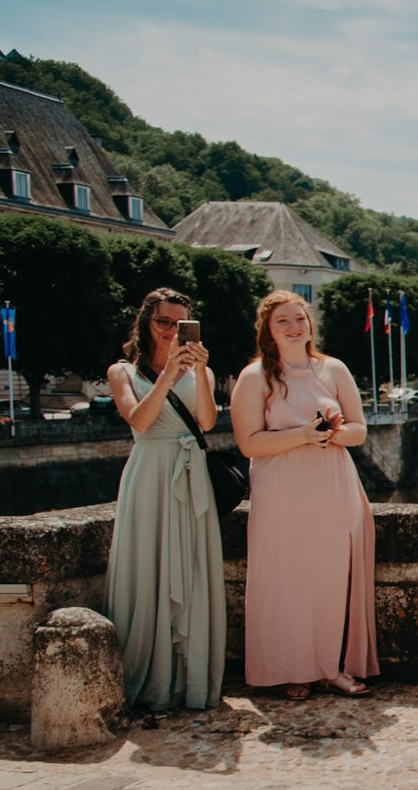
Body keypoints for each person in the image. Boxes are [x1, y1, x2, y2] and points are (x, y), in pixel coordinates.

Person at [231, 291, 378, 701]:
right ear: (268, 331)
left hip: (330, 484)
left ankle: (329, 668)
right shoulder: (255, 377)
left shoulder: (333, 369)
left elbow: (359, 430)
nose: (294, 327)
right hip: (280, 490)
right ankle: (292, 668)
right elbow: (248, 443)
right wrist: (303, 435)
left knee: (330, 577)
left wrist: (333, 432)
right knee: (285, 578)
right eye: (283, 321)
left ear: (310, 324)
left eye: (300, 319)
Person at [103, 287, 225, 712]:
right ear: (146, 322)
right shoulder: (122, 371)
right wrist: (169, 374)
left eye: (180, 324)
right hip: (149, 472)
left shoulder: (202, 372)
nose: (172, 331)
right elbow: (139, 420)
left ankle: (189, 680)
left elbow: (206, 422)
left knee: (191, 569)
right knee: (146, 565)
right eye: (163, 322)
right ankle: (147, 679)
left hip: (191, 474)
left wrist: (200, 374)